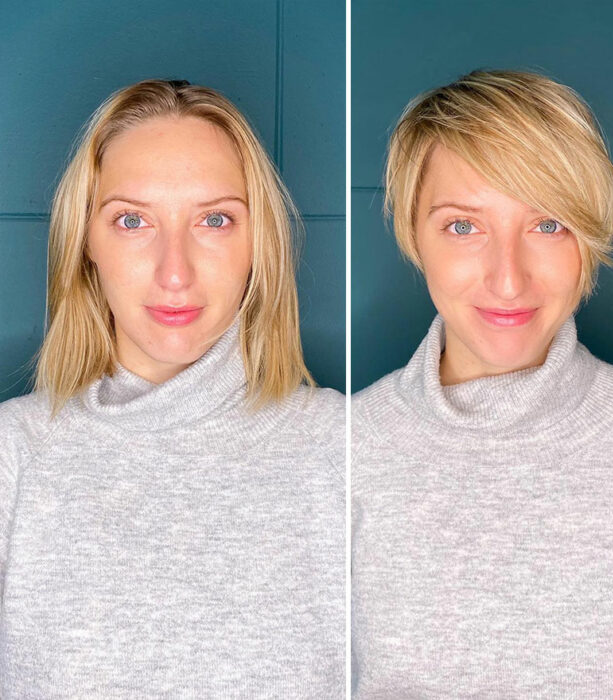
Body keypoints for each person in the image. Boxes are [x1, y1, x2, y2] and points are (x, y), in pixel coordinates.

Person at [351, 69, 613, 698]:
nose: (508, 280)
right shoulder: (336, 453)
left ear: (591, 238)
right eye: (463, 225)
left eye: (549, 225)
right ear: (414, 237)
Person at [0, 79, 344, 697]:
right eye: (133, 221)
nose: (175, 271)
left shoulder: (349, 449)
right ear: (86, 244)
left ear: (257, 244)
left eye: (215, 220)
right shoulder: (12, 455)